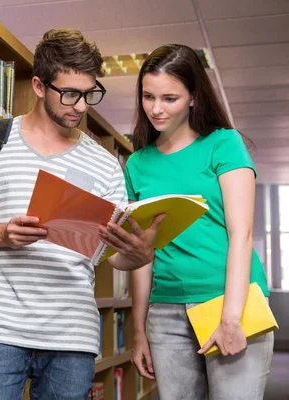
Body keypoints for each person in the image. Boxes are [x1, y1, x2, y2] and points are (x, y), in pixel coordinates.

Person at [0, 28, 165, 400]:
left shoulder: (105, 163)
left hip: (72, 333)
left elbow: (111, 255)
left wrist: (140, 254)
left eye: (89, 94)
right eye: (70, 94)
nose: (80, 105)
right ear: (40, 86)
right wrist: (1, 234)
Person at [123, 44, 273, 400]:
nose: (156, 108)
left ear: (193, 98)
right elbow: (143, 255)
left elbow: (242, 234)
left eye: (170, 98)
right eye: (148, 96)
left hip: (230, 301)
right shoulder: (137, 164)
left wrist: (231, 318)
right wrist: (138, 330)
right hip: (165, 311)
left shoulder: (223, 144)